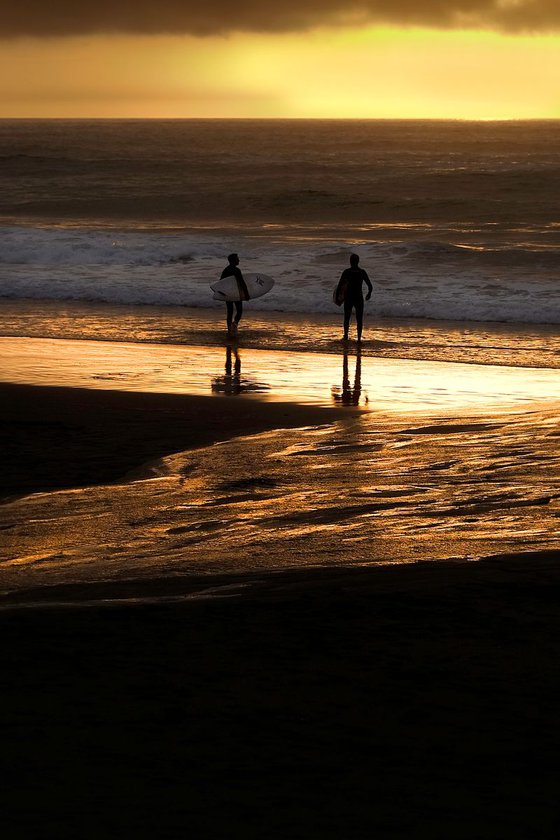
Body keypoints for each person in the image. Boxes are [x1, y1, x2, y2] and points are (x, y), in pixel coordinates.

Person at [335, 254, 373, 342]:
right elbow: (370, 286)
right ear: (358, 261)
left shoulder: (347, 272)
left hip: (349, 297)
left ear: (350, 261)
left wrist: (337, 297)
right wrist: (369, 294)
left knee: (346, 318)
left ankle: (346, 336)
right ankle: (359, 338)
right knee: (359, 319)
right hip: (358, 297)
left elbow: (340, 285)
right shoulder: (362, 272)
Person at [221, 253, 249, 337]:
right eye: (237, 259)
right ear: (233, 261)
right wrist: (246, 294)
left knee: (230, 312)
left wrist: (222, 293)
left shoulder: (226, 270)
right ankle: (234, 324)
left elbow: (220, 283)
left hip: (228, 293)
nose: (239, 260)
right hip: (236, 293)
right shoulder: (237, 270)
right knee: (239, 311)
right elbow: (242, 283)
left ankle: (230, 329)